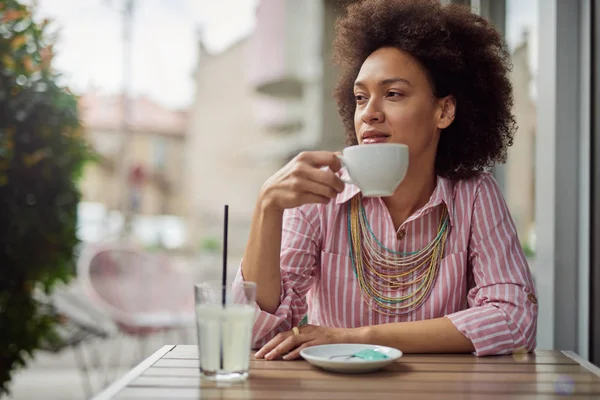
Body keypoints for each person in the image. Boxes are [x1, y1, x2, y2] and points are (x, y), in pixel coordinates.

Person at [234, 0, 537, 360]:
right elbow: (254, 333)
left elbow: (515, 319)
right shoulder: (319, 196)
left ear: (444, 111)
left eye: (393, 94)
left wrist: (359, 337)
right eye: (361, 98)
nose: (369, 114)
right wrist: (267, 206)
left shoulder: (474, 194)